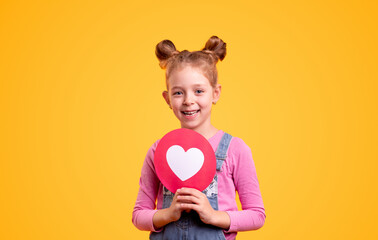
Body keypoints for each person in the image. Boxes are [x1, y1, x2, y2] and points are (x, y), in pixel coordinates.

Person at [132, 36, 266, 240]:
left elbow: (257, 216)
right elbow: (139, 215)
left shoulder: (235, 149)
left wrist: (214, 216)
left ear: (215, 93)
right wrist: (167, 215)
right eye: (178, 93)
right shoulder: (158, 150)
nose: (188, 100)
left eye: (199, 91)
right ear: (167, 99)